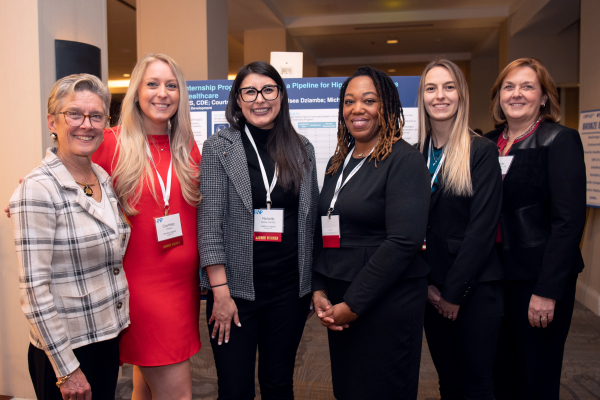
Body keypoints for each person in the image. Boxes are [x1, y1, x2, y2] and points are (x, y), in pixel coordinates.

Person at [198, 61, 318, 399]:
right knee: (235, 389)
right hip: (234, 292)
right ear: (238, 100)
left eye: (268, 89)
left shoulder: (302, 148)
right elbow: (209, 224)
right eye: (249, 91)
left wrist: (311, 285)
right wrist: (219, 293)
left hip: (288, 291)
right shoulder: (219, 147)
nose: (259, 99)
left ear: (281, 96)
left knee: (279, 383)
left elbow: (309, 222)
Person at [9, 74, 131, 400]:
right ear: (53, 120)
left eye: (96, 116)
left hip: (105, 338)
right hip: (65, 353)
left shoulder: (102, 178)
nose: (86, 125)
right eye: (74, 114)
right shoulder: (37, 189)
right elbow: (34, 292)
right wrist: (67, 369)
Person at [312, 66, 431, 399]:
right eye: (349, 101)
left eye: (369, 100)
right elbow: (326, 227)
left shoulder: (404, 160)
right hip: (340, 301)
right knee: (349, 389)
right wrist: (320, 288)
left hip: (386, 303)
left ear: (388, 107)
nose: (357, 109)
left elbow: (403, 242)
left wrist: (353, 303)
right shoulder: (339, 161)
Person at [92, 53, 202, 400]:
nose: (162, 93)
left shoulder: (188, 148)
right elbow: (68, 173)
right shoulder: (111, 142)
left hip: (182, 288)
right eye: (152, 84)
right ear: (136, 91)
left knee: (145, 386)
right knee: (177, 393)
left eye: (171, 85)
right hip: (141, 289)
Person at [485, 58, 586, 400]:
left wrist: (547, 290)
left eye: (527, 87)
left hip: (537, 279)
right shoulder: (487, 143)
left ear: (544, 97)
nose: (516, 94)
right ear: (499, 96)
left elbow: (568, 222)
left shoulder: (560, 141)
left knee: (536, 376)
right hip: (494, 276)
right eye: (508, 87)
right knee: (499, 373)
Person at [417, 59, 503, 399]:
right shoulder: (413, 155)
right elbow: (408, 228)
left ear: (461, 95)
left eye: (449, 87)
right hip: (430, 288)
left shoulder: (481, 152)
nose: (440, 96)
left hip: (475, 289)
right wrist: (426, 286)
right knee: (447, 383)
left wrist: (452, 294)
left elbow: (481, 230)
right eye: (431, 88)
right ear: (422, 97)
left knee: (476, 384)